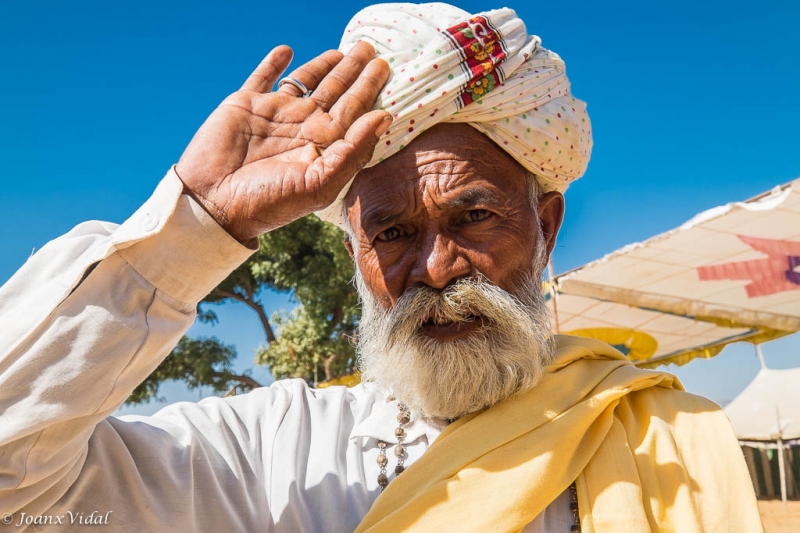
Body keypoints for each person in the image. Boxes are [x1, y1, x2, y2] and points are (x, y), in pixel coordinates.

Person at [0, 3, 762, 532]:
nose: (435, 267)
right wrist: (195, 222)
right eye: (393, 232)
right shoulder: (277, 454)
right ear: (355, 255)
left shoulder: (667, 441)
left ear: (547, 225)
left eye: (475, 216)